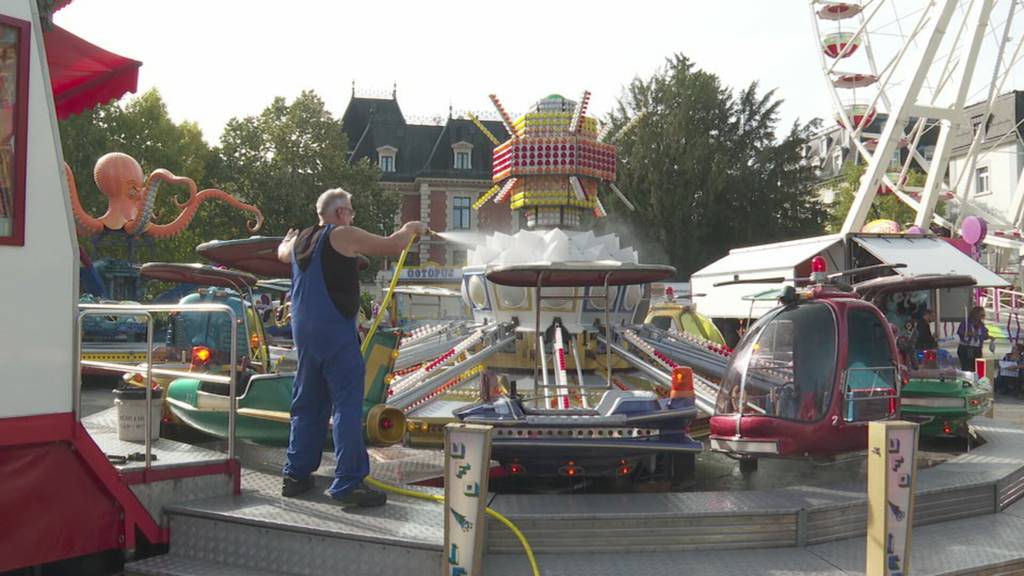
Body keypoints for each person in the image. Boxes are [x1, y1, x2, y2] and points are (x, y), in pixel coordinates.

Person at [276, 187, 428, 506]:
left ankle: (295, 475)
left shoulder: (298, 241)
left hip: (304, 333)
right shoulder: (342, 235)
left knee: (307, 401)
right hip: (335, 331)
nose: (353, 216)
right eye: (352, 211)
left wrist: (285, 239)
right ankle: (348, 482)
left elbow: (281, 252)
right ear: (341, 213)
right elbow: (392, 245)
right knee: (346, 404)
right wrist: (412, 228)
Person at [956, 306, 990, 372]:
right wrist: (970, 334)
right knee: (967, 368)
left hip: (977, 349)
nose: (982, 316)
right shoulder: (966, 323)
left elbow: (984, 335)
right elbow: (960, 333)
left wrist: (989, 337)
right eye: (980, 314)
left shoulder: (981, 324)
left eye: (983, 314)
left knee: (976, 368)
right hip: (966, 347)